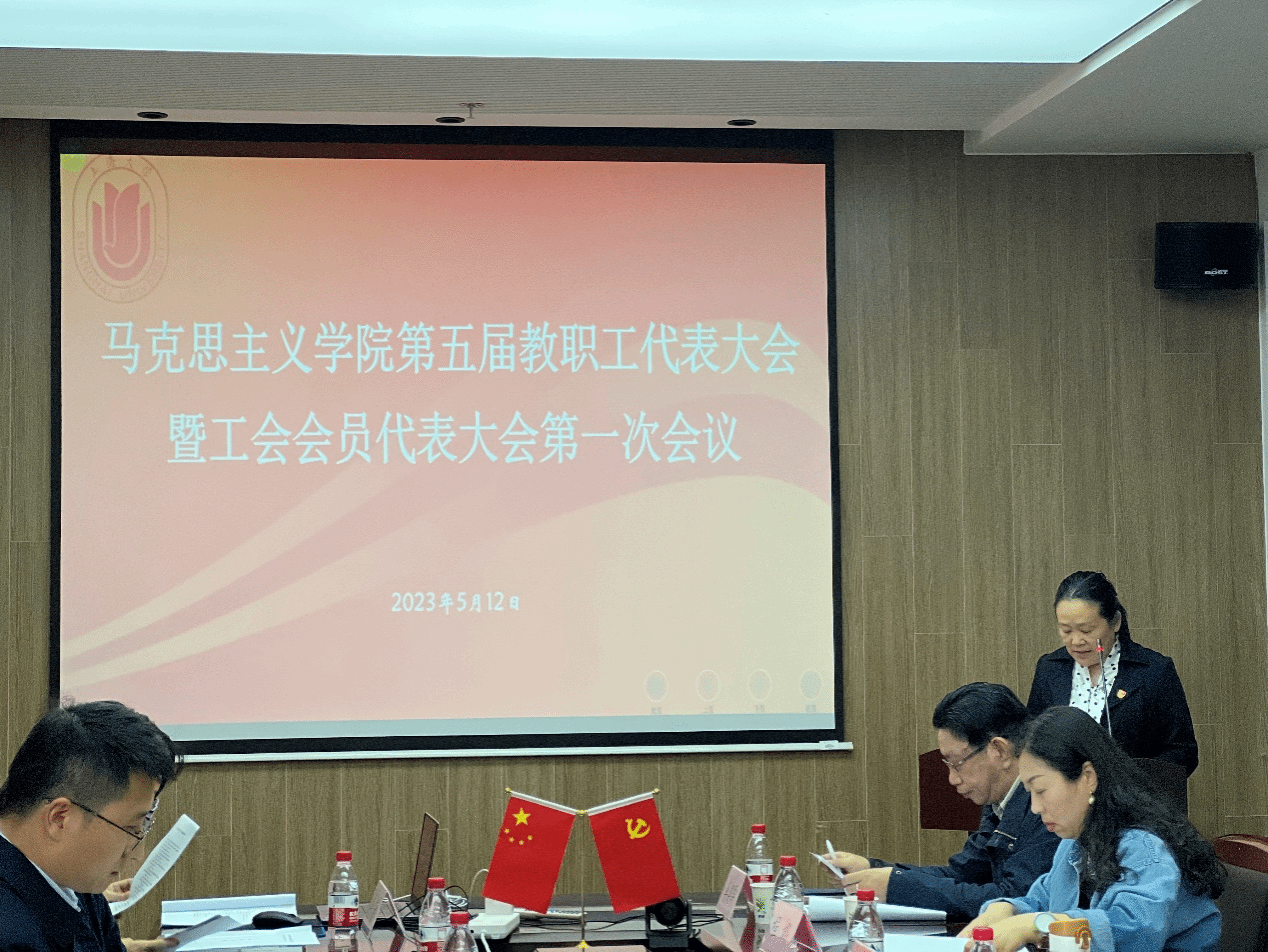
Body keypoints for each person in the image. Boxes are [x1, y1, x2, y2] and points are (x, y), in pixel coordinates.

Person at [959, 706, 1223, 952]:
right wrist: (1007, 909)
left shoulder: (1143, 846)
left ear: (1088, 777)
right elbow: (1042, 900)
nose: (1036, 808)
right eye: (1030, 793)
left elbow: (1135, 932)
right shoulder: (1074, 843)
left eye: (1041, 790)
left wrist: (1037, 925)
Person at [828, 683, 1059, 921]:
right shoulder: (1000, 803)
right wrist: (874, 869)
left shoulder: (1045, 808)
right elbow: (962, 875)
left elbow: (1016, 900)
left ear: (999, 750)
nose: (952, 779)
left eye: (957, 764)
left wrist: (898, 886)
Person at [0, 700, 183, 952]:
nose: (136, 854)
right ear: (60, 818)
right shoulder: (12, 937)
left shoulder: (73, 876)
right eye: (131, 829)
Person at [1027, 570, 1198, 776]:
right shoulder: (1050, 669)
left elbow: (1183, 752)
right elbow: (1032, 743)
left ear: (1115, 622)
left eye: (1087, 630)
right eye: (1066, 630)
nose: (1076, 641)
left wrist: (1133, 782)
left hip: (1132, 794)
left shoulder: (1154, 671)